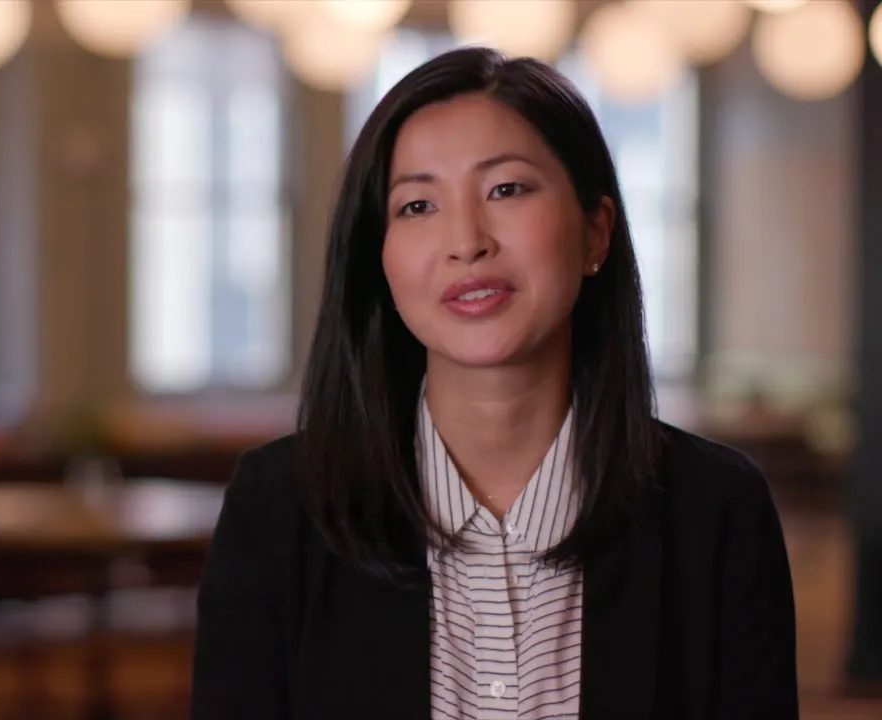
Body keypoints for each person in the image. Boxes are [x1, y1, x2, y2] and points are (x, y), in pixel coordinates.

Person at [189, 47, 798, 720]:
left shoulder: (716, 510)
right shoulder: (280, 509)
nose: (466, 241)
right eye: (418, 205)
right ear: (379, 260)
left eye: (506, 190)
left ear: (595, 232)